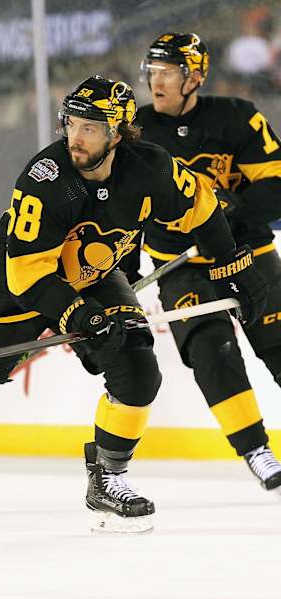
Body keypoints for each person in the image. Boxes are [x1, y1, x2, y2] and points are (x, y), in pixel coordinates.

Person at [0, 75, 266, 534]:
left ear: (117, 134)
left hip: (94, 277)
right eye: (72, 124)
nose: (76, 138)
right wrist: (79, 315)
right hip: (10, 287)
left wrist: (235, 267)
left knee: (138, 369)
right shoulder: (48, 177)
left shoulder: (151, 168)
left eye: (91, 128)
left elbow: (201, 207)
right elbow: (28, 274)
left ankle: (109, 478)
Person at [136, 32, 281, 492]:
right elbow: (113, 204)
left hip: (247, 255)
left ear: (194, 76)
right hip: (181, 267)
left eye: (167, 73)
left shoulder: (237, 117)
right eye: (152, 73)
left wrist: (234, 210)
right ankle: (255, 448)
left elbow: (277, 181)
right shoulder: (133, 133)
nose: (156, 82)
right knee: (210, 351)